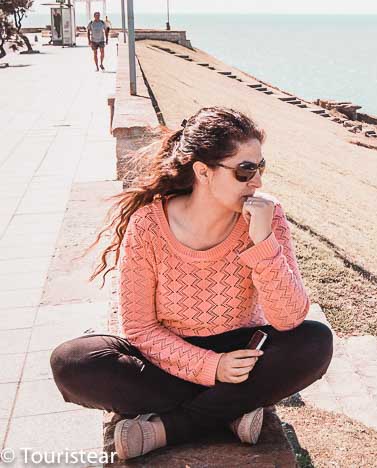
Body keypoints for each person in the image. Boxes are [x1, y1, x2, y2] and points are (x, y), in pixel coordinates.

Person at [49, 107, 333, 460]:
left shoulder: (267, 215)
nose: (257, 181)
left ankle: (170, 428)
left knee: (315, 341)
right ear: (203, 171)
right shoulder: (149, 226)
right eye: (245, 170)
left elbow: (288, 318)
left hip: (243, 351)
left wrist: (262, 242)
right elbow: (140, 328)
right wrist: (212, 369)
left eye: (261, 167)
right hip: (167, 358)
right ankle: (230, 411)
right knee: (72, 362)